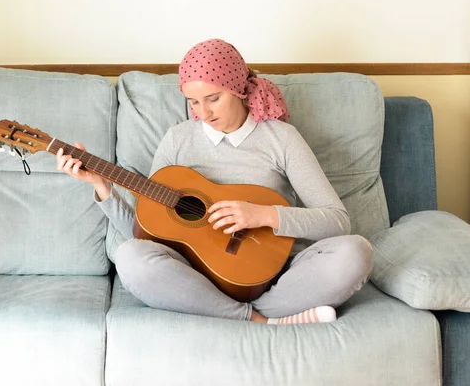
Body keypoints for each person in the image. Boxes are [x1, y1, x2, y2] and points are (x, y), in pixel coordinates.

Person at [56, 38, 373, 325]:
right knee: (129, 256)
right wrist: (101, 186)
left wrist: (261, 215)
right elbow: (146, 231)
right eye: (193, 102)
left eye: (213, 98)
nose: (203, 113)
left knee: (356, 251)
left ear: (238, 89)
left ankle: (240, 311)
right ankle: (260, 320)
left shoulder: (282, 139)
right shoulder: (177, 140)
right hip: (196, 278)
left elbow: (336, 221)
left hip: (274, 277)